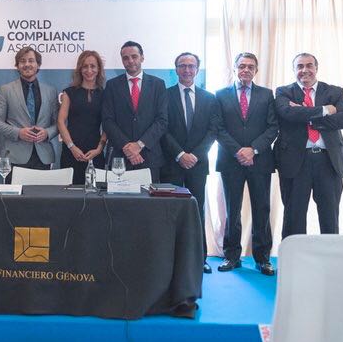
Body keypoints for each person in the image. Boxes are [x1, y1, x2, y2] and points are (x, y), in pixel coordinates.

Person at [274, 53, 343, 238]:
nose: (305, 70)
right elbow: (288, 114)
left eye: (309, 65)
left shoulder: (334, 92)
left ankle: (329, 256)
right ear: (294, 70)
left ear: (316, 68)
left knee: (330, 217)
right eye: (300, 66)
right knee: (294, 217)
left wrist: (304, 114)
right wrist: (325, 110)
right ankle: (294, 256)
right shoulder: (283, 92)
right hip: (295, 162)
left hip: (328, 161)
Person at [215, 52, 278, 276]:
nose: (246, 70)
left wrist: (253, 149)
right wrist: (238, 151)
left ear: (256, 70)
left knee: (262, 209)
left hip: (260, 161)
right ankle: (232, 256)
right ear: (235, 68)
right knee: (232, 211)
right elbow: (218, 128)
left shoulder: (267, 95)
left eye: (251, 66)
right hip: (230, 161)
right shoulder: (220, 95)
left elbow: (273, 127)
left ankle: (262, 258)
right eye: (242, 66)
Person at [160, 52, 220, 274]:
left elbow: (213, 130)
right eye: (182, 66)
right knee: (171, 213)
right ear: (176, 69)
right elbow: (162, 128)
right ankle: (171, 259)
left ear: (197, 69)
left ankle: (199, 258)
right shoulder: (165, 96)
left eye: (191, 66)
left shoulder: (209, 98)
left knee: (197, 211)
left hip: (197, 164)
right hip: (171, 164)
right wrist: (179, 154)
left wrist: (194, 155)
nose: (187, 70)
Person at [102, 41, 168, 182]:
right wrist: (127, 147)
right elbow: (107, 121)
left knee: (149, 197)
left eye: (134, 56)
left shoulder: (158, 84)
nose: (130, 61)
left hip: (149, 156)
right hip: (120, 157)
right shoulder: (112, 85)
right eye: (125, 58)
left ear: (142, 58)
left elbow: (162, 120)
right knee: (118, 196)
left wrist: (139, 145)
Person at [0, 47, 59, 182]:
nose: (27, 64)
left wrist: (47, 133)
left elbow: (59, 123)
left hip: (43, 157)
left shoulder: (50, 91)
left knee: (42, 195)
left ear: (38, 64)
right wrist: (18, 133)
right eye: (22, 61)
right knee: (14, 196)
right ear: (17, 66)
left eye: (31, 61)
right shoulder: (6, 90)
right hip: (15, 157)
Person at [58, 50, 107, 185]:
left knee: (95, 193)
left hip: (95, 152)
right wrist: (72, 147)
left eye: (93, 66)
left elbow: (108, 124)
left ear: (99, 69)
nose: (89, 70)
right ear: (79, 69)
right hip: (71, 152)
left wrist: (99, 149)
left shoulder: (105, 94)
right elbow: (61, 121)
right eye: (85, 66)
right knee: (70, 193)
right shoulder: (69, 92)